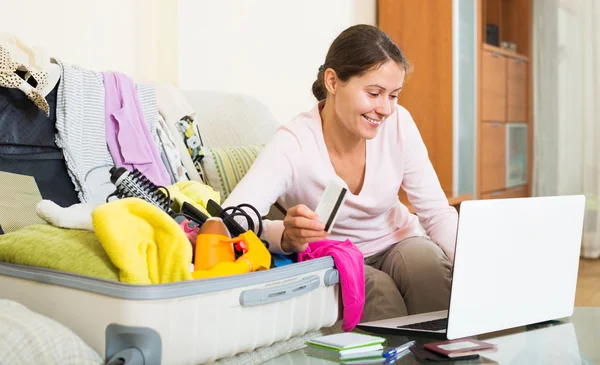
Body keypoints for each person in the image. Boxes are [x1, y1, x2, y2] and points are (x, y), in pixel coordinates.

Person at [223, 24, 456, 322]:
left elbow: (436, 213)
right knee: (379, 294)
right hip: (340, 256)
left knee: (429, 269)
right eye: (374, 93)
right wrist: (284, 236)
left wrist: (474, 263)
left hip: (399, 240)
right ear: (333, 82)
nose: (385, 109)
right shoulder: (294, 142)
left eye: (393, 95)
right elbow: (231, 219)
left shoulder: (399, 124)